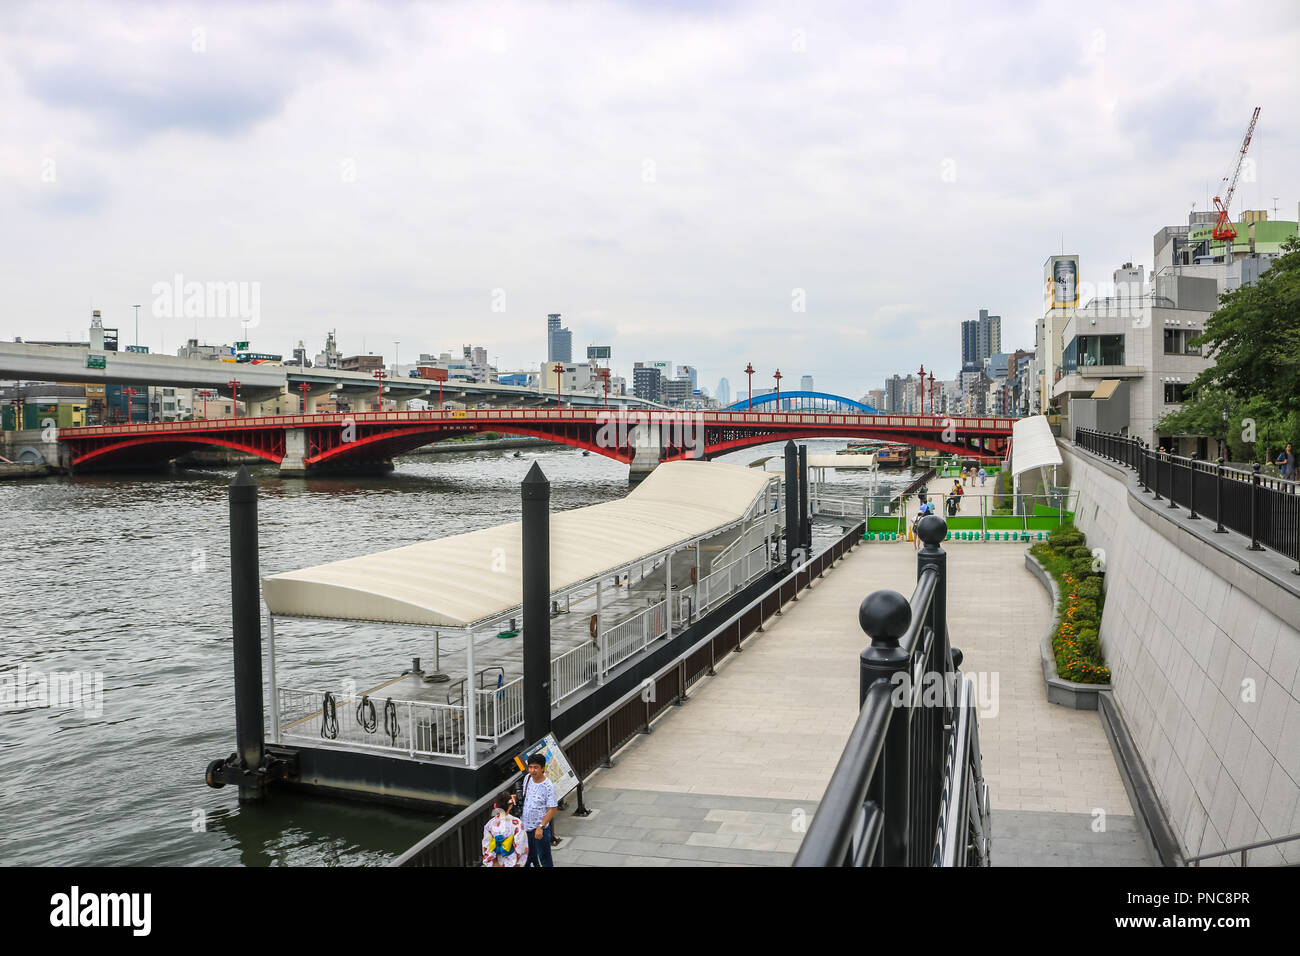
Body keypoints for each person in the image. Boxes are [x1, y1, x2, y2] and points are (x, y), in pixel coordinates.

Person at [520, 752, 559, 867]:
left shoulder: (548, 786)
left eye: (536, 767)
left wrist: (541, 827)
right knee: (528, 858)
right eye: (530, 767)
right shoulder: (527, 778)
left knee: (544, 858)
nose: (532, 770)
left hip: (539, 830)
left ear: (543, 769)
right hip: (525, 828)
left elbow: (553, 808)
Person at [482, 791, 529, 867]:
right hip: (512, 862)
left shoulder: (489, 825)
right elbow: (521, 847)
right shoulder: (517, 823)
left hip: (496, 863)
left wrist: (494, 862)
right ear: (510, 806)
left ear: (495, 806)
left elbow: (487, 845)